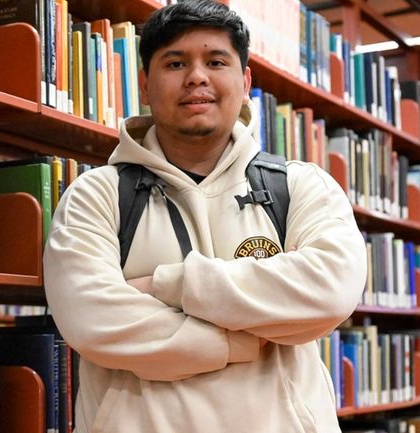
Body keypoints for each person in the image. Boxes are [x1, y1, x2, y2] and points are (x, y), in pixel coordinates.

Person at [43, 1, 367, 432]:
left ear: (245, 80)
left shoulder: (301, 186)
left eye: (216, 61)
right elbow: (92, 321)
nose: (197, 76)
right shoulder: (96, 195)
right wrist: (243, 335)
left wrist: (167, 284)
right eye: (175, 63)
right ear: (144, 84)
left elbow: (329, 291)